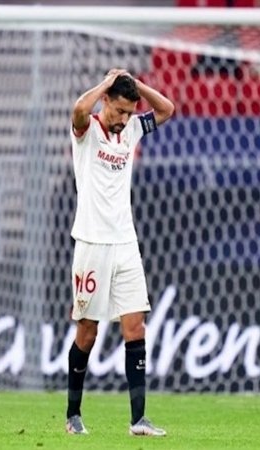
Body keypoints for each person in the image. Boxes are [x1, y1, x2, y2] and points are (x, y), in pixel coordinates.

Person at [66, 69, 174, 436]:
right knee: (88, 332)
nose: (123, 119)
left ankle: (138, 420)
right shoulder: (88, 131)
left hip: (126, 242)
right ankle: (73, 415)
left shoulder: (130, 130)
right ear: (107, 101)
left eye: (130, 113)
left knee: (135, 326)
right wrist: (107, 81)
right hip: (92, 243)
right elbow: (79, 108)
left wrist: (135, 83)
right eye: (119, 111)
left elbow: (167, 109)